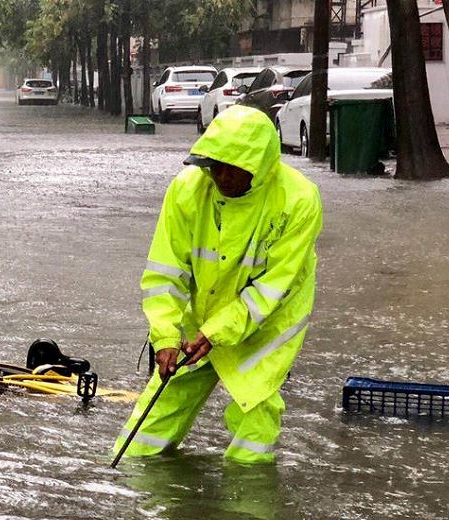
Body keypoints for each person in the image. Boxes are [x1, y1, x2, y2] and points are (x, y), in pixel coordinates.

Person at [113, 105, 322, 464]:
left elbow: (272, 289)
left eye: (230, 168)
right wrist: (164, 336)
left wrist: (217, 333)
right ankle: (135, 477)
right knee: (156, 412)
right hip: (202, 317)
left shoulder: (299, 201)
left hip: (267, 325)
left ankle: (246, 505)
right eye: (213, 166)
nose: (219, 176)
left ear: (258, 169)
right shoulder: (187, 190)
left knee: (255, 412)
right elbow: (166, 271)